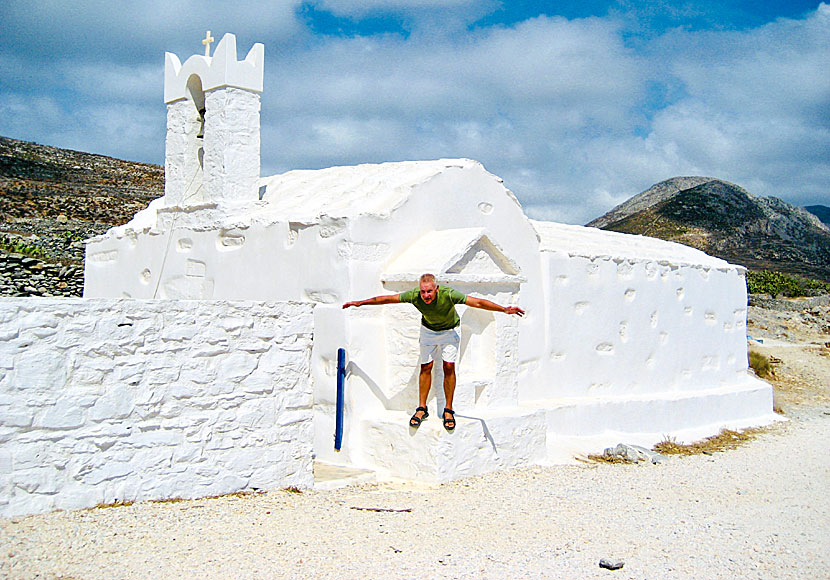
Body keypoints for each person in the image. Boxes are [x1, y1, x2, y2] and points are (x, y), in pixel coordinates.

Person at [342, 273, 525, 430]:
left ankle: (448, 409)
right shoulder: (414, 295)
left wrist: (504, 309)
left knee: (448, 366)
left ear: (436, 289)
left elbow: (476, 302)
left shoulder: (449, 294)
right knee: (426, 366)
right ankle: (422, 408)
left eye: (429, 291)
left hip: (449, 331)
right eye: (423, 291)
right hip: (428, 331)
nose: (426, 295)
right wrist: (360, 303)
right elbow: (387, 299)